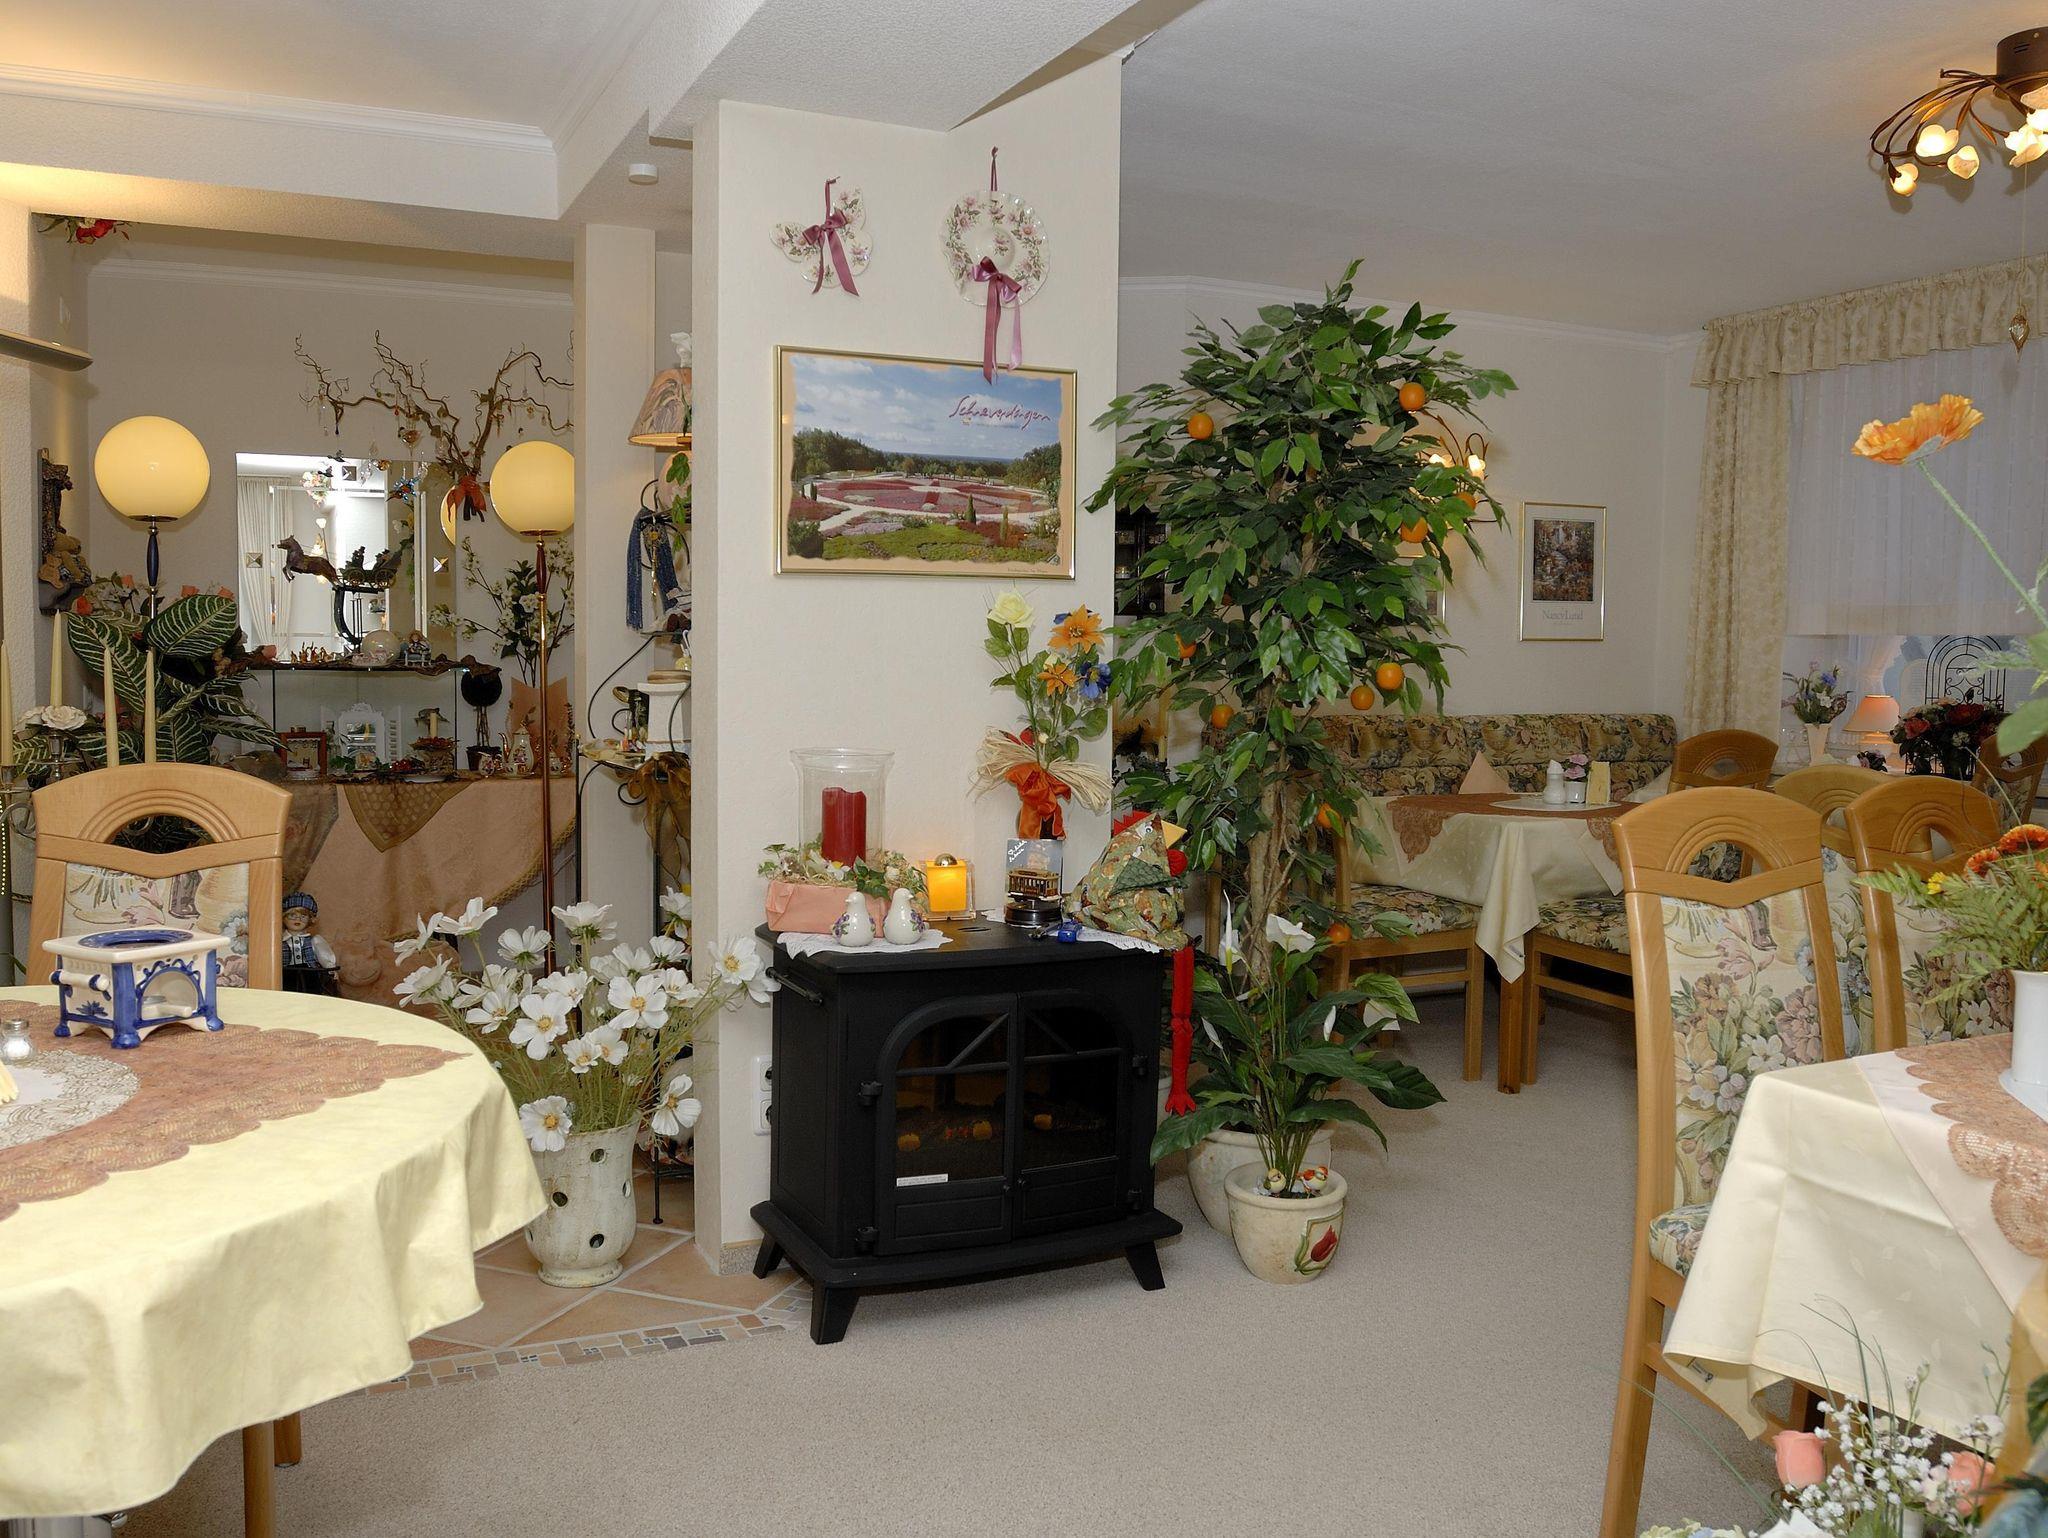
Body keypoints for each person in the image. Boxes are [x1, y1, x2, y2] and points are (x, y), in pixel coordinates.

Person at [281, 892, 339, 994]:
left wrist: (330, 967)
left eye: (303, 916)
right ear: (284, 917)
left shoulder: (314, 940)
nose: (298, 919)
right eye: (292, 915)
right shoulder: (279, 942)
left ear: (310, 919)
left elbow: (323, 956)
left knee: (310, 996)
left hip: (309, 975)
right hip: (286, 975)